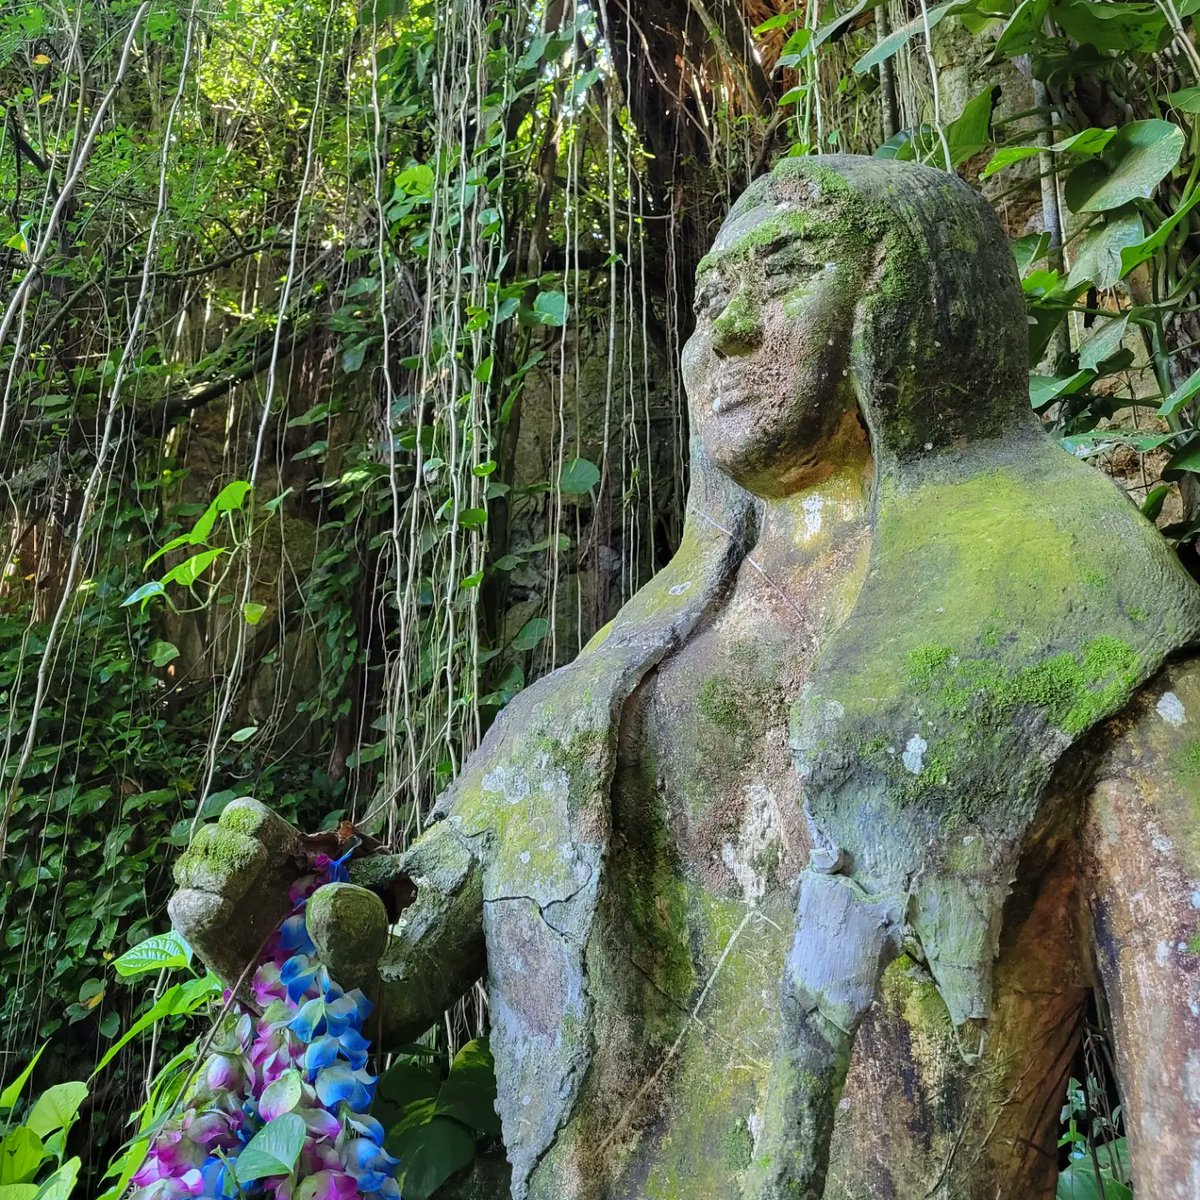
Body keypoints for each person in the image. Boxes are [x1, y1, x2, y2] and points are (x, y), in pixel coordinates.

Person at [171, 155, 1200, 1200]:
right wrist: (270, 931)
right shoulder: (602, 684)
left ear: (917, 299)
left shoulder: (1080, 617)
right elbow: (392, 975)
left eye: (787, 272)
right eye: (711, 299)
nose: (731, 332)